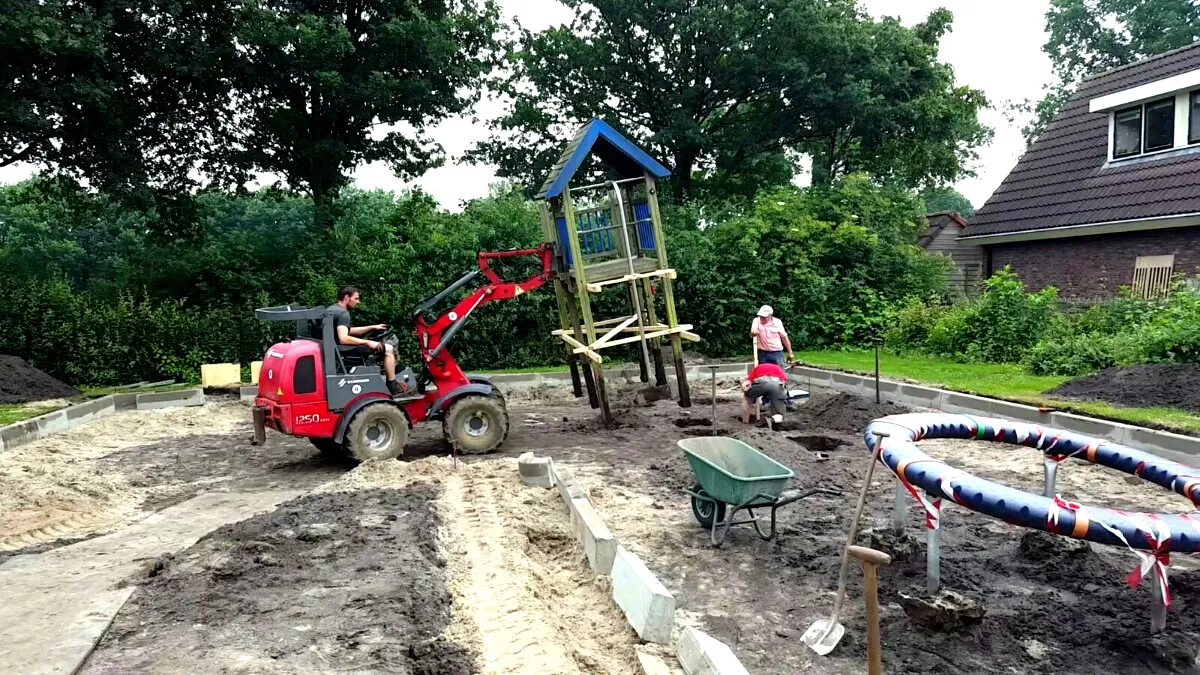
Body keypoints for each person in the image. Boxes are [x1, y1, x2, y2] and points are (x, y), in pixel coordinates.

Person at [328, 286, 405, 397]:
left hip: (335, 349)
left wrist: (372, 327)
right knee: (388, 349)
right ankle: (393, 386)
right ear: (346, 297)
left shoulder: (332, 309)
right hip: (343, 350)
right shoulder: (343, 314)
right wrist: (367, 342)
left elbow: (347, 330)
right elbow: (344, 338)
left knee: (380, 346)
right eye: (356, 298)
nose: (358, 302)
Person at [742, 361, 788, 428]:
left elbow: (745, 384)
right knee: (779, 414)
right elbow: (784, 382)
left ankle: (745, 422)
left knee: (747, 400)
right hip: (778, 384)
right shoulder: (778, 368)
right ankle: (771, 420)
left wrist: (747, 393)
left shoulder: (758, 367)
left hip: (762, 381)